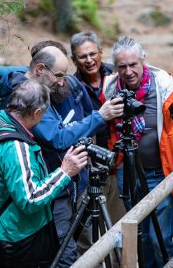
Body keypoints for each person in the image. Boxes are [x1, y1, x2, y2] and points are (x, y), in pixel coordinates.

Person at [3, 43, 124, 267]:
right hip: (50, 189)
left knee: (71, 246)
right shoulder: (28, 97)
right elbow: (56, 137)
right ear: (40, 69)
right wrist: (100, 116)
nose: (61, 81)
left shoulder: (50, 89)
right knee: (65, 255)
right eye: (58, 75)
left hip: (66, 184)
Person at [100, 37, 173, 268]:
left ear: (143, 61)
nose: (129, 72)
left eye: (133, 65)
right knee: (139, 234)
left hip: (162, 171)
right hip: (126, 170)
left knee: (159, 235)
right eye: (122, 66)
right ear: (115, 67)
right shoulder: (110, 89)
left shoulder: (164, 86)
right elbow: (108, 129)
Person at [0, 80, 89, 268]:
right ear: (37, 113)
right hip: (18, 238)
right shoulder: (16, 147)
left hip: (3, 229)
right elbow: (30, 199)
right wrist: (65, 172)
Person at [70, 31, 126, 258]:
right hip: (87, 170)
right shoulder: (71, 88)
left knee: (120, 227)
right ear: (74, 60)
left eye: (93, 53)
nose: (89, 60)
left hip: (118, 164)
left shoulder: (118, 76)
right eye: (82, 56)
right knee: (88, 237)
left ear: (101, 53)